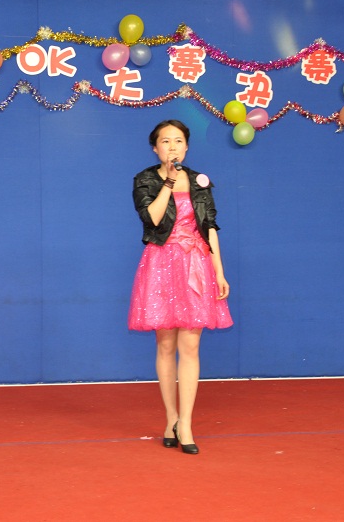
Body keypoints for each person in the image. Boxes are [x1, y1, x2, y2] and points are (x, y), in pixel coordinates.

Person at [128, 119, 233, 455]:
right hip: (161, 263)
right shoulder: (145, 180)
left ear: (186, 147)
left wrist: (219, 271)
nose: (172, 147)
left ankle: (186, 422)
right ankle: (170, 418)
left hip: (196, 265)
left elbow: (210, 227)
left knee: (190, 344)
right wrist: (170, 182)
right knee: (165, 343)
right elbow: (153, 218)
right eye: (165, 141)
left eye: (178, 141)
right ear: (155, 147)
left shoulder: (201, 182)